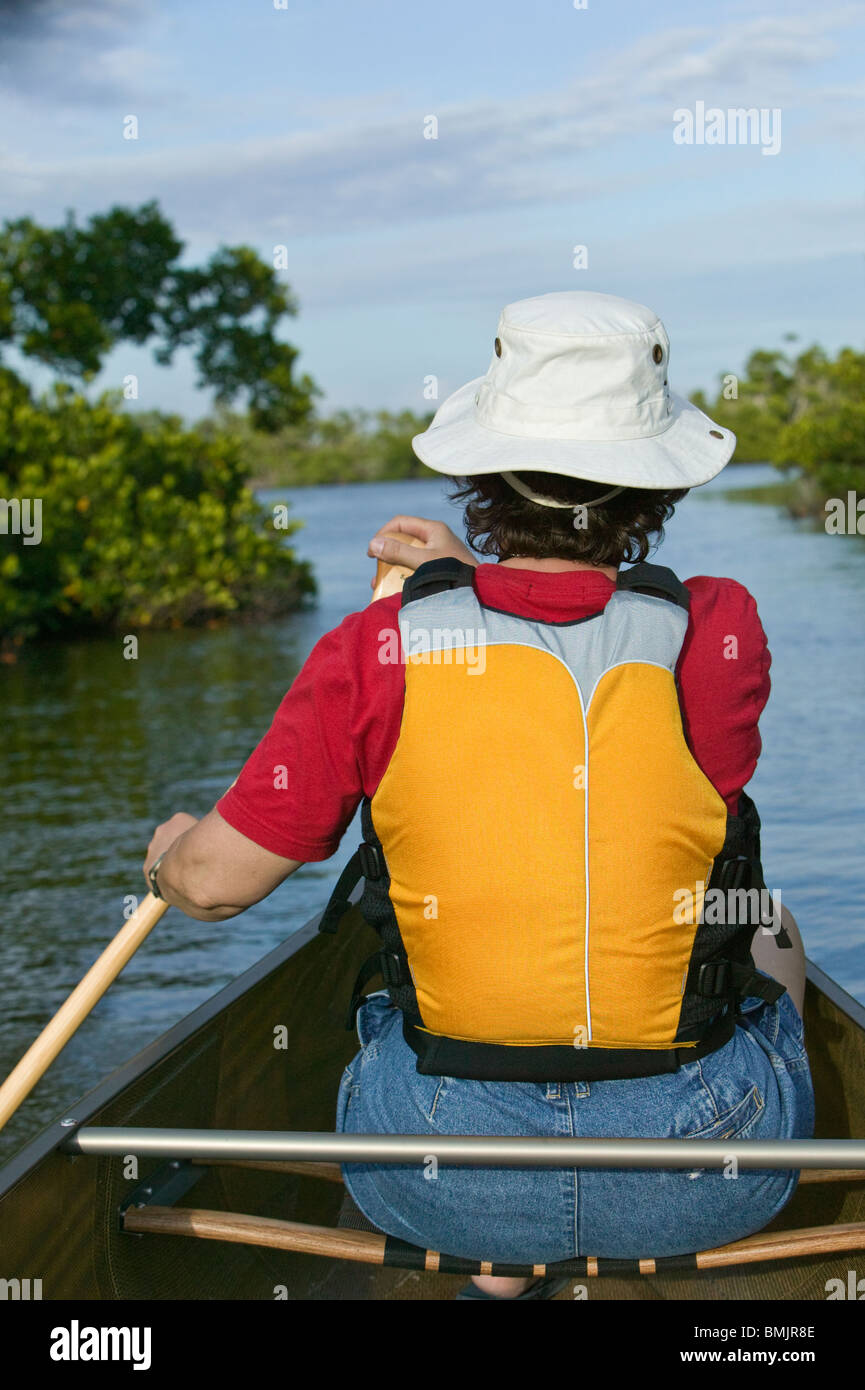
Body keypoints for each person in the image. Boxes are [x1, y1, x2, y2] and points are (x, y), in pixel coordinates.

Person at [143, 292, 814, 1301]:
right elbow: (629, 760)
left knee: (382, 989)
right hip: (699, 1175)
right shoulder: (718, 627)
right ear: (651, 488)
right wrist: (467, 591)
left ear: (483, 473)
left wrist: (168, 851)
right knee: (762, 918)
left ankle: (499, 1272)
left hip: (441, 1175)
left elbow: (215, 888)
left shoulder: (376, 652)